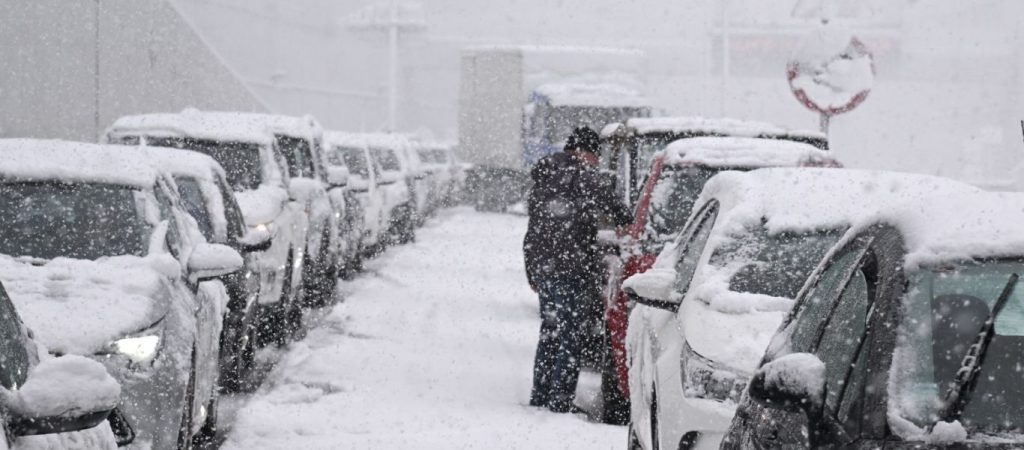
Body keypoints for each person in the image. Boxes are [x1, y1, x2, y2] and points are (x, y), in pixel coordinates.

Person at [523, 126, 632, 413]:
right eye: (595, 155)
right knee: (570, 337)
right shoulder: (583, 174)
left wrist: (532, 271)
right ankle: (559, 401)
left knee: (550, 332)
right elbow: (613, 205)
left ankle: (540, 393)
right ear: (585, 151)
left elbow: (533, 229)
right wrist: (625, 218)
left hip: (544, 267)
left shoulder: (545, 175)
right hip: (571, 267)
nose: (596, 161)